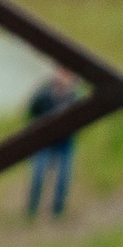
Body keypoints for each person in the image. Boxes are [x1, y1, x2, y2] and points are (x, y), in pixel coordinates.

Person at [26, 72, 80, 218]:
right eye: (62, 74)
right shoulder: (44, 93)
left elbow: (79, 122)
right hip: (44, 141)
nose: (64, 78)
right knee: (38, 174)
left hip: (65, 142)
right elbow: (31, 111)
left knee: (63, 177)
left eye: (68, 75)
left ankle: (57, 212)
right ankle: (32, 209)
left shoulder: (74, 97)